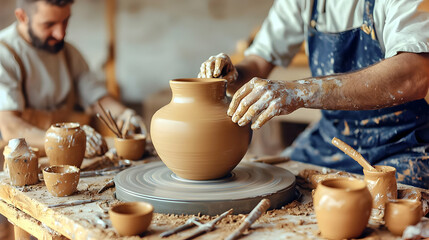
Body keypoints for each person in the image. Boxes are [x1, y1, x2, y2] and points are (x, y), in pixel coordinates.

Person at [198, 0, 429, 188]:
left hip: (404, 143)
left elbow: (413, 75)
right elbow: (258, 62)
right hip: (331, 139)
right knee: (279, 184)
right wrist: (233, 74)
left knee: (392, 208)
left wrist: (300, 91)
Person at [0, 0, 145, 158]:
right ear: (22, 16)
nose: (60, 34)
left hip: (70, 160)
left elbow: (97, 98)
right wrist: (64, 139)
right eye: (49, 24)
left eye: (65, 21)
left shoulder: (69, 53)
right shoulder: (5, 54)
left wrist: (124, 113)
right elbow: (10, 128)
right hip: (26, 164)